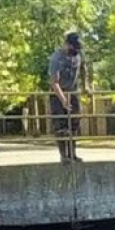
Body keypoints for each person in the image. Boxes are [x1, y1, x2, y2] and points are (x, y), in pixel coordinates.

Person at [49, 32, 89, 165]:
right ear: (67, 44)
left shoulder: (78, 55)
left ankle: (73, 154)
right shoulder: (56, 58)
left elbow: (83, 70)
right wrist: (63, 100)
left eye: (78, 49)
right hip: (58, 93)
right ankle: (64, 156)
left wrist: (85, 87)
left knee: (74, 123)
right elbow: (54, 82)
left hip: (73, 92)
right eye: (73, 48)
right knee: (61, 125)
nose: (76, 51)